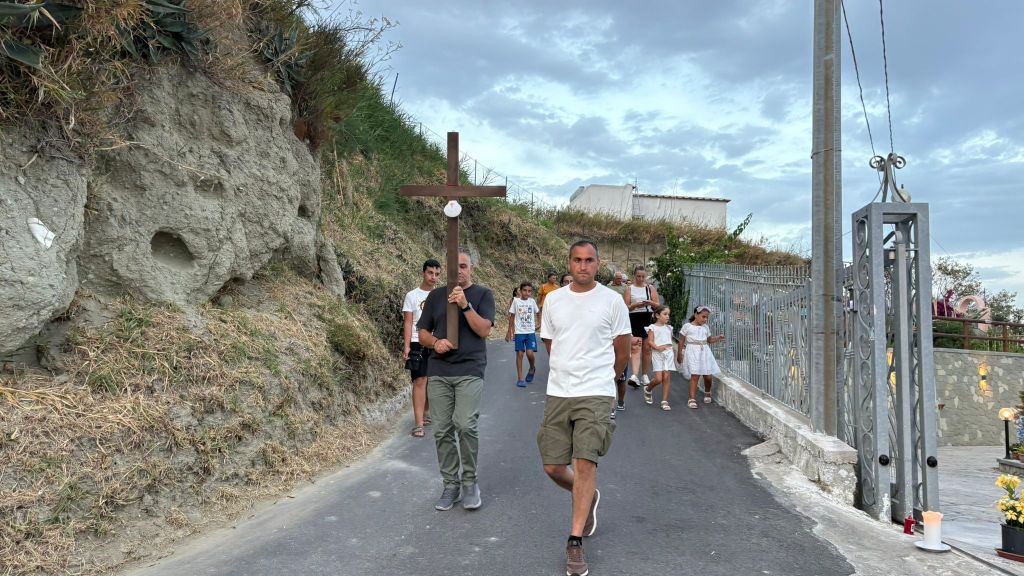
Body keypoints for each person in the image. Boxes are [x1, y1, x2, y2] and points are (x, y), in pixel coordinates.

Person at [537, 240, 631, 576]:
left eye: (589, 260)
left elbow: (623, 347)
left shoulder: (612, 300)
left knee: (585, 462)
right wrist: (567, 368)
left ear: (597, 263)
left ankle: (574, 541)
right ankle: (587, 496)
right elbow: (550, 341)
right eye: (577, 260)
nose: (583, 266)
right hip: (559, 392)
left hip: (596, 391)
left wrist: (608, 379)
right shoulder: (553, 300)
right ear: (569, 262)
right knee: (552, 466)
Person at [417, 250, 496, 511]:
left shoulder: (483, 294)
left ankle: (470, 481)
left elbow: (484, 329)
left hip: (469, 369)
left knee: (465, 424)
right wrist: (435, 342)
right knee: (441, 429)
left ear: (471, 268)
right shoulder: (436, 296)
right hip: (439, 370)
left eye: (463, 266)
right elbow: (423, 332)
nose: (459, 270)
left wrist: (465, 305)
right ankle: (451, 484)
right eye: (454, 266)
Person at [403, 259, 441, 438]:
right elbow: (408, 322)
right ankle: (418, 424)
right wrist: (407, 346)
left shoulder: (442, 296)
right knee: (419, 381)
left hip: (436, 342)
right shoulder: (412, 296)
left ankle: (425, 413)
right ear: (423, 273)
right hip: (418, 342)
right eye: (430, 273)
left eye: (437, 274)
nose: (433, 277)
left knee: (432, 381)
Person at [676, 305, 725, 410]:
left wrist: (718, 338)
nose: (705, 319)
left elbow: (709, 340)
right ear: (695, 315)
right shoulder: (687, 327)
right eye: (703, 317)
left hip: (705, 352)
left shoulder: (705, 327)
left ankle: (707, 392)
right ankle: (692, 398)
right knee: (695, 375)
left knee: (708, 376)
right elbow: (681, 341)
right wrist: (679, 354)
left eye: (707, 317)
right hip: (692, 351)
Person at [623, 266, 659, 395]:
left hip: (647, 317)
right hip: (634, 318)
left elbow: (658, 306)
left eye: (643, 276)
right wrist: (635, 305)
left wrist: (649, 302)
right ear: (634, 276)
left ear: (646, 276)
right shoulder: (629, 289)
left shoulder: (650, 288)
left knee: (647, 348)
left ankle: (644, 374)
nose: (641, 278)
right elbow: (626, 307)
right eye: (638, 276)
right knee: (636, 347)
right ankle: (634, 375)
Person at [506, 281, 540, 387]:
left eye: (529, 291)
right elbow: (512, 316)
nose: (527, 293)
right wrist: (509, 331)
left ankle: (532, 368)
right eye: (524, 290)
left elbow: (538, 313)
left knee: (530, 353)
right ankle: (520, 379)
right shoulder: (516, 302)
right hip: (519, 332)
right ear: (520, 291)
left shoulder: (532, 302)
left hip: (530, 332)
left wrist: (539, 323)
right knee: (520, 354)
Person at [642, 305, 675, 411]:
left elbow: (669, 341)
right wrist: (657, 347)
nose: (667, 316)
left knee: (666, 377)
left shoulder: (669, 328)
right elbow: (650, 341)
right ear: (657, 315)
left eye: (668, 314)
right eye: (665, 314)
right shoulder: (652, 327)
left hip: (668, 353)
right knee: (658, 379)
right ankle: (648, 389)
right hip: (657, 353)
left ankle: (664, 401)